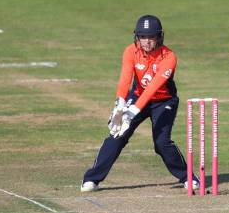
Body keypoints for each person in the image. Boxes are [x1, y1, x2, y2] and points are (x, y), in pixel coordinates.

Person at [81, 15, 198, 192]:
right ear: (137, 37)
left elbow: (153, 87)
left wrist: (133, 111)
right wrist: (120, 105)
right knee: (117, 135)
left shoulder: (169, 57)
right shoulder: (130, 51)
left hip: (164, 101)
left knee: (161, 142)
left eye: (151, 37)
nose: (147, 41)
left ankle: (188, 177)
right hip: (136, 96)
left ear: (159, 37)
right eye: (143, 37)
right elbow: (125, 78)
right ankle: (91, 179)